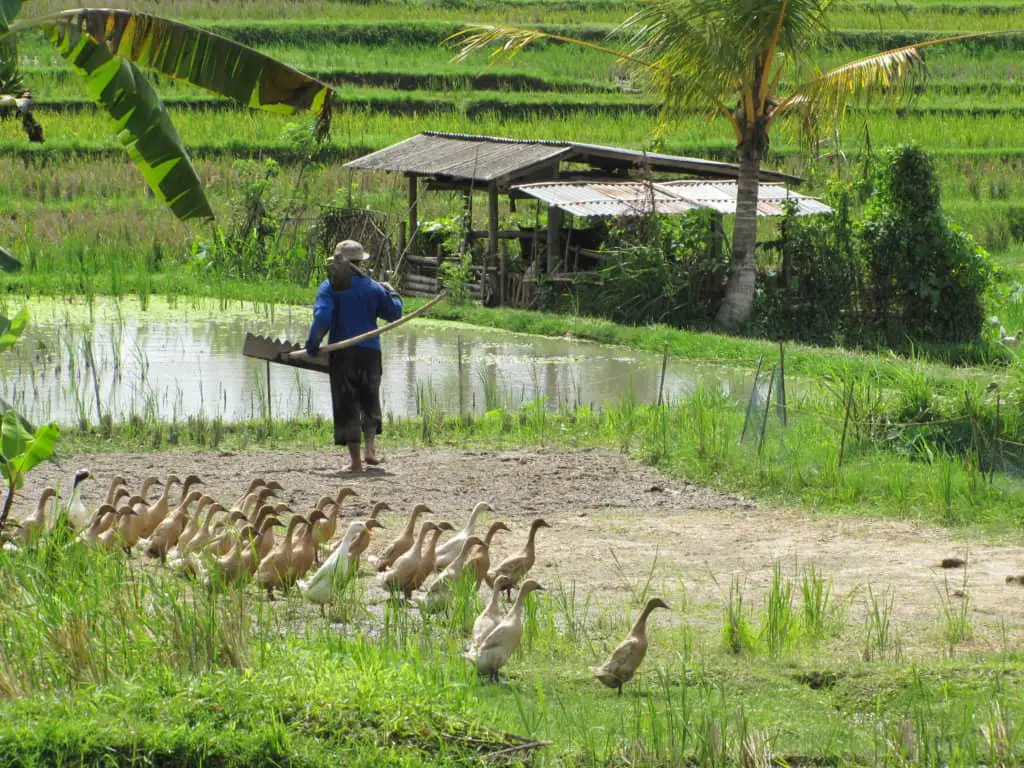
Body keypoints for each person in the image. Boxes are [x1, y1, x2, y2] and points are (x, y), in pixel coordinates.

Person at [305, 240, 403, 472]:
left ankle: (356, 461)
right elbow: (394, 313)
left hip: (343, 353)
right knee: (369, 399)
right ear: (360, 263)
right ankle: (370, 450)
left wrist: (313, 343)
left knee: (346, 403)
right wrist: (393, 292)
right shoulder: (374, 288)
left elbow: (322, 317)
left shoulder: (330, 287)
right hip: (370, 353)